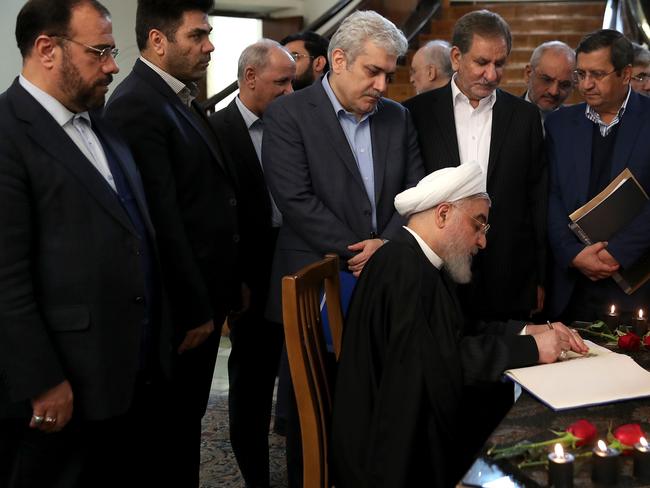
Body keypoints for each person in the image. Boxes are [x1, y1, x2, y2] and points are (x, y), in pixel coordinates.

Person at [331, 163, 587, 488]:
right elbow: (439, 366)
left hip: (407, 428)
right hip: (386, 456)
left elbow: (457, 332)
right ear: (443, 215)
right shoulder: (402, 269)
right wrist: (532, 349)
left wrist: (526, 331)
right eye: (478, 225)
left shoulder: (420, 262)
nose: (482, 243)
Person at [0, 0, 170, 486]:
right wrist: (42, 380)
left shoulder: (103, 126)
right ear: (47, 49)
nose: (114, 66)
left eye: (113, 51)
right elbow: (6, 276)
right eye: (100, 52)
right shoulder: (8, 133)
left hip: (125, 371)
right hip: (60, 384)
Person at [262, 10, 424, 486]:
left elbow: (415, 194)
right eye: (372, 71)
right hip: (313, 285)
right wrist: (362, 249)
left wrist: (387, 245)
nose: (382, 84)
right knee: (311, 415)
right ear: (337, 59)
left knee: (374, 408)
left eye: (389, 74)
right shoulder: (289, 114)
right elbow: (295, 199)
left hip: (385, 280)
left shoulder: (397, 117)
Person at [104, 0, 239, 486]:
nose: (210, 45)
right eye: (197, 36)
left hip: (206, 296)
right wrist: (195, 309)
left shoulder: (177, 95)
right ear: (158, 41)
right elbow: (160, 222)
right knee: (165, 435)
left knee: (185, 426)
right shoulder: (137, 105)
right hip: (181, 312)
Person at [403, 8, 547, 458]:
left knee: (502, 392)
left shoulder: (524, 118)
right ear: (456, 57)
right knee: (446, 380)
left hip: (507, 274)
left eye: (500, 63)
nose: (491, 73)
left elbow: (537, 202)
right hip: (442, 273)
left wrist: (538, 276)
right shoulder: (417, 113)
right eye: (482, 63)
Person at [209, 39, 294, 488]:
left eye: (292, 82)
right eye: (280, 82)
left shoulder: (296, 122)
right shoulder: (215, 131)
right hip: (251, 277)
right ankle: (256, 478)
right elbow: (215, 216)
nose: (289, 91)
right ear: (249, 78)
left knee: (303, 381)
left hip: (299, 264)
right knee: (253, 385)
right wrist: (232, 280)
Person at [546, 29, 650, 322]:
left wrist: (617, 252)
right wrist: (572, 254)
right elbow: (549, 196)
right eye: (581, 73)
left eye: (598, 74)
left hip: (636, 285)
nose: (586, 84)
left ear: (626, 74)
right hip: (572, 285)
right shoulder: (559, 124)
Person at [523, 40, 575, 119]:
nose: (554, 92)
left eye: (564, 85)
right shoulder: (503, 115)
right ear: (528, 74)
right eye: (546, 80)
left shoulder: (580, 127)